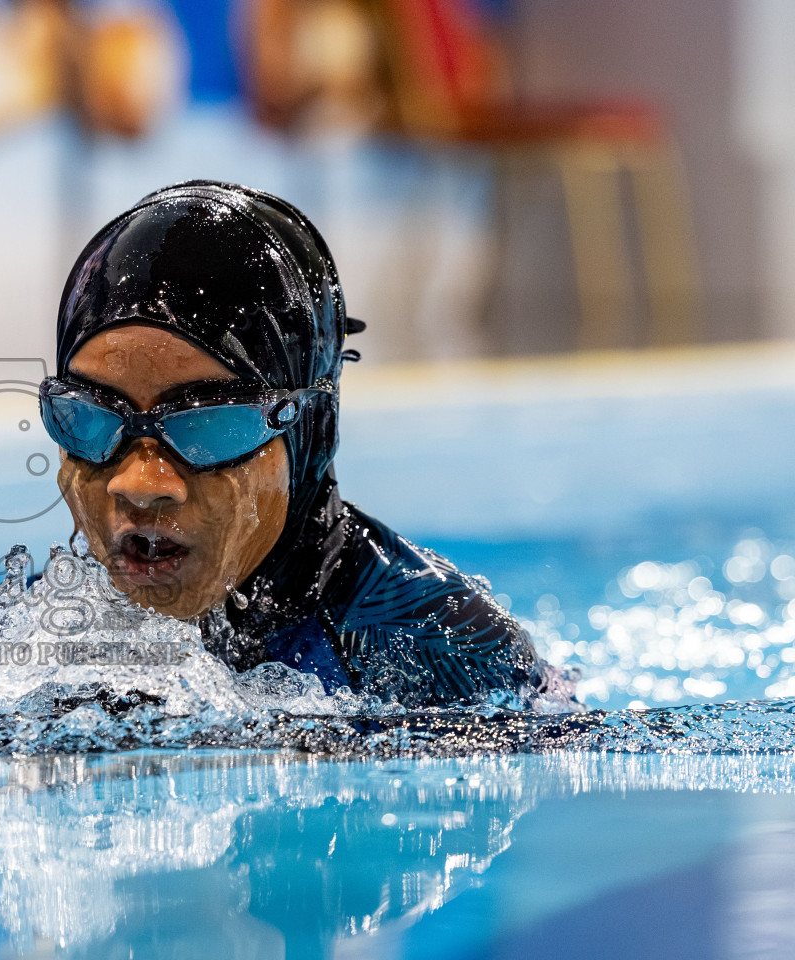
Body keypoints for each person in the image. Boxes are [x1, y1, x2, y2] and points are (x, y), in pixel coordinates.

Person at [40, 180, 570, 705]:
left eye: (207, 426)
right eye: (90, 417)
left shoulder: (447, 657)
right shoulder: (20, 640)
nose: (140, 484)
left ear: (309, 434)